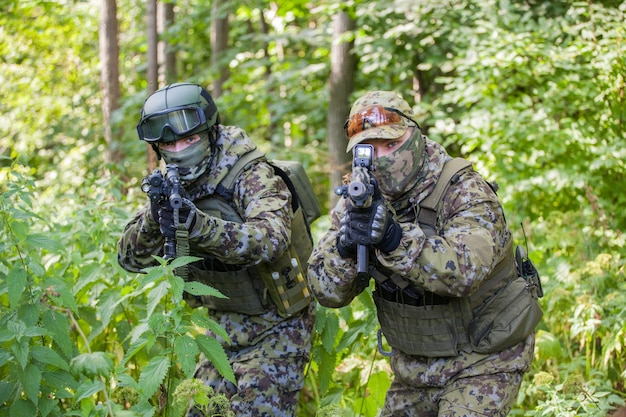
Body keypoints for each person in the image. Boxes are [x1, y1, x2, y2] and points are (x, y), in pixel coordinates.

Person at [307, 91, 538, 416]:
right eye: (371, 149)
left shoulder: (463, 190)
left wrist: (393, 238)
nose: (383, 158)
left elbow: (465, 272)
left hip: (484, 358)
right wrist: (346, 246)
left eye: (391, 144)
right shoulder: (359, 198)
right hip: (414, 367)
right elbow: (324, 291)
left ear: (415, 136)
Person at [118, 82, 315, 417]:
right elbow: (129, 258)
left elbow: (272, 238)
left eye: (189, 139)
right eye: (169, 143)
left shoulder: (248, 173)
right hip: (221, 328)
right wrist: (155, 217)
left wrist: (199, 227)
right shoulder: (170, 181)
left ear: (208, 131)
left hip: (277, 324)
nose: (180, 150)